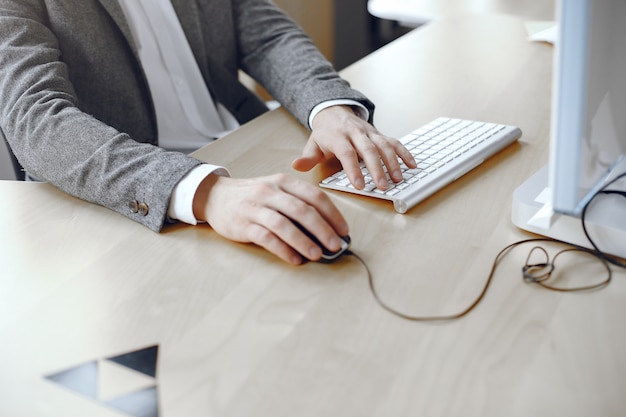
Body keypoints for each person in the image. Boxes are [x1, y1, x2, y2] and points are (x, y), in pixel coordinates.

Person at [0, 0, 415, 265]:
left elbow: (269, 37)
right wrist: (204, 191)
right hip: (138, 206)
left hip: (248, 155)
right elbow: (36, 117)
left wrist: (330, 109)